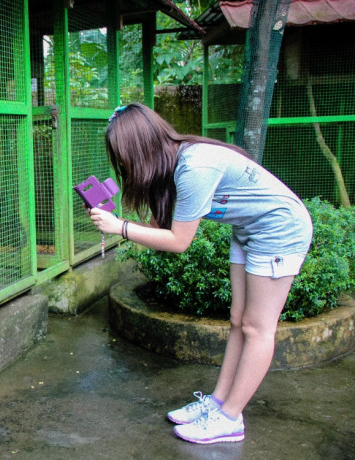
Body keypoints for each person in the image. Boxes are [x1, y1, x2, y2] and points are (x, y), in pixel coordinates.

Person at [90, 103, 312, 445]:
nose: (122, 164)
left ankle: (230, 418)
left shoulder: (195, 166)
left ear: (141, 147)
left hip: (280, 229)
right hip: (248, 229)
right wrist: (119, 219)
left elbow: (179, 242)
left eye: (124, 155)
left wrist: (120, 227)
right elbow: (157, 231)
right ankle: (218, 403)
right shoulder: (174, 166)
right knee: (238, 320)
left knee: (257, 327)